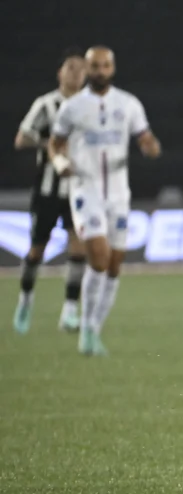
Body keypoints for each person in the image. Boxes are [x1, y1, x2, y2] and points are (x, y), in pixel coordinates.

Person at [48, 46, 161, 356]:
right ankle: (85, 329)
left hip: (119, 194)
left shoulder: (128, 104)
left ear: (113, 68)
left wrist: (150, 146)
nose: (100, 71)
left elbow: (144, 137)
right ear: (87, 70)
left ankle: (94, 329)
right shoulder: (72, 108)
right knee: (98, 256)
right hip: (87, 191)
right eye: (94, 66)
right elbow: (55, 146)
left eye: (105, 66)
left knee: (113, 265)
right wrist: (61, 165)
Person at [12, 48, 88, 335]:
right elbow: (21, 138)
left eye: (80, 69)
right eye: (70, 67)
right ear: (60, 73)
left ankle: (69, 312)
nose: (75, 73)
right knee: (37, 250)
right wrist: (51, 146)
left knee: (78, 245)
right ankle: (25, 300)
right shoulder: (46, 105)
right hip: (47, 190)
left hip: (78, 190)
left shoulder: (90, 108)